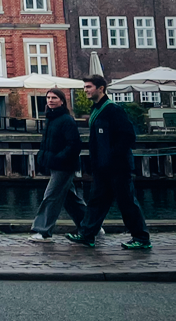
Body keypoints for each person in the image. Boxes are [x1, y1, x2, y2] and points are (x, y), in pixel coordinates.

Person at [67, 73, 151, 252]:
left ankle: (141, 238)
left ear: (100, 88)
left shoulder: (113, 110)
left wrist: (113, 157)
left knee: (127, 202)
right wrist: (95, 163)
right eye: (85, 87)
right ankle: (87, 235)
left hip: (117, 167)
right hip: (102, 167)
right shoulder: (96, 110)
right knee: (97, 201)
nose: (86, 91)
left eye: (89, 87)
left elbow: (128, 136)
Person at [29, 89, 84, 239]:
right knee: (70, 198)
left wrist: (59, 158)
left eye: (54, 97)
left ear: (62, 101)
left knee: (51, 196)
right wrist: (43, 157)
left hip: (64, 166)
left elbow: (74, 144)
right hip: (55, 164)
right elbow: (47, 143)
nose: (50, 100)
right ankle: (91, 227)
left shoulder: (66, 120)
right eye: (48, 97)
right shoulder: (51, 118)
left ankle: (43, 230)